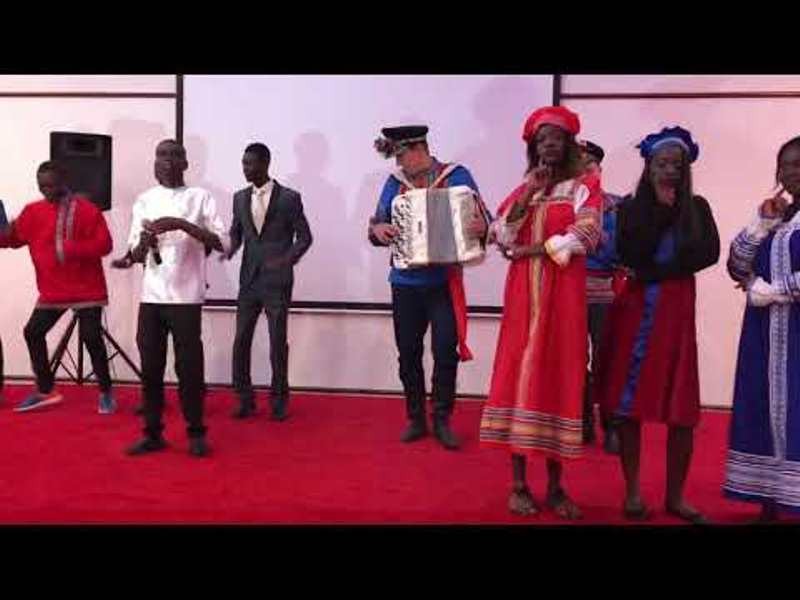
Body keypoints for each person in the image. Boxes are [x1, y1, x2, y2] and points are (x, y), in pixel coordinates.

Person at [480, 106, 602, 519]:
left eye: (556, 138)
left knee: (557, 377)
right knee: (518, 376)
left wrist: (532, 250)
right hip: (522, 299)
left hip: (563, 297)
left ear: (569, 144)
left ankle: (555, 485)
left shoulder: (584, 185)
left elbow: (586, 235)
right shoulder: (527, 187)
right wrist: (529, 193)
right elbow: (502, 235)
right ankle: (518, 484)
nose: (549, 144)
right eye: (542, 139)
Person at [594, 126, 720, 524]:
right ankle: (632, 492)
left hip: (676, 312)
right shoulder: (632, 207)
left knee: (681, 409)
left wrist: (656, 271)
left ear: (686, 170)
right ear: (648, 166)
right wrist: (662, 214)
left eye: (676, 166)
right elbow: (632, 252)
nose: (669, 171)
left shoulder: (697, 207)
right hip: (636, 311)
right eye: (662, 164)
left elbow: (708, 253)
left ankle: (676, 497)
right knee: (630, 406)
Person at [368, 125, 490, 450]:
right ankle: (415, 417)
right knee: (408, 352)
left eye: (401, 156)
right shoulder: (395, 183)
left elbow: (486, 220)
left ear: (419, 149)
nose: (399, 164)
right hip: (404, 283)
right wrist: (378, 230)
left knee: (445, 351)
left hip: (443, 282)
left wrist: (482, 226)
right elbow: (376, 223)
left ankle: (442, 418)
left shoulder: (457, 176)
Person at [112, 139, 229, 458]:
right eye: (160, 155)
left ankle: (196, 432)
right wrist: (143, 244)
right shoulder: (145, 200)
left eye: (173, 156)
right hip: (151, 298)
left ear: (186, 163)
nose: (165, 161)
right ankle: (152, 433)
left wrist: (179, 224)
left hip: (187, 298)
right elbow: (136, 254)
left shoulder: (201, 197)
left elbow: (223, 243)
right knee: (150, 368)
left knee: (189, 369)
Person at [724, 135, 800, 522]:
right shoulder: (775, 216)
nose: (792, 172)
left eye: (799, 164)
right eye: (786, 165)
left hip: (794, 330)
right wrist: (760, 223)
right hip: (764, 333)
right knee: (764, 409)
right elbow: (737, 264)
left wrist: (773, 291)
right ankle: (770, 494)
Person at [0, 161, 116, 413]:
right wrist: (2, 230)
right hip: (53, 291)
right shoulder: (32, 211)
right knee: (33, 332)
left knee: (91, 338)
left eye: (51, 185)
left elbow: (106, 245)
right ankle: (45, 390)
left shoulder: (87, 209)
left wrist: (71, 248)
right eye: (42, 186)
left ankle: (106, 391)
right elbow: (12, 239)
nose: (46, 190)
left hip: (87, 290)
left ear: (63, 181)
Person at [226, 142, 312, 421]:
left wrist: (287, 260)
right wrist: (229, 247)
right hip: (249, 280)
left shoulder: (289, 198)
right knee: (241, 340)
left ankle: (279, 400)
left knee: (277, 341)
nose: (245, 168)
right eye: (243, 163)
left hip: (277, 281)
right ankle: (244, 398)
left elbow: (305, 237)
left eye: (249, 163)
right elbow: (237, 233)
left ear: (265, 164)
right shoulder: (239, 198)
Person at [581, 141, 622, 454]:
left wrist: (590, 243)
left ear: (600, 170)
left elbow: (616, 252)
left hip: (606, 295)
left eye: (590, 166)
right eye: (578, 167)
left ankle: (611, 426)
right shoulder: (562, 206)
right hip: (567, 294)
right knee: (573, 361)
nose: (584, 173)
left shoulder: (617, 207)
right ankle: (580, 423)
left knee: (606, 360)